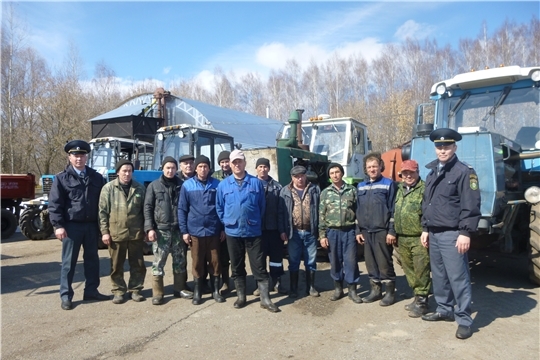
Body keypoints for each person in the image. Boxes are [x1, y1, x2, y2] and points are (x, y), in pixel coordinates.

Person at [420, 128, 481, 340]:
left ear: (455, 147)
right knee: (439, 275)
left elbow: (470, 205)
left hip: (453, 234)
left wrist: (465, 233)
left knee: (458, 277)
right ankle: (444, 309)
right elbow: (427, 203)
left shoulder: (464, 172)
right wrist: (425, 228)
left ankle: (464, 319)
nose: (442, 150)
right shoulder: (432, 172)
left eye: (446, 146)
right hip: (434, 233)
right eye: (439, 146)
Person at [48, 140, 109, 310]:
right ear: (69, 157)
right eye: (75, 155)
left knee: (92, 260)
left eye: (82, 155)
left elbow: (103, 204)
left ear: (86, 156)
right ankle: (66, 295)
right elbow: (55, 204)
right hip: (71, 226)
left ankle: (91, 291)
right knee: (69, 263)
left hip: (91, 226)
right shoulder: (61, 178)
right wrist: (58, 225)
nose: (79, 158)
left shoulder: (97, 177)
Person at [216, 149, 279, 312]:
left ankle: (265, 298)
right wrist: (228, 222)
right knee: (236, 266)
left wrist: (254, 221)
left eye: (240, 162)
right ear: (230, 164)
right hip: (233, 232)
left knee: (259, 265)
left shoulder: (255, 183)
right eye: (234, 162)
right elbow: (219, 208)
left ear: (244, 163)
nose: (237, 165)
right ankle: (241, 296)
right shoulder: (223, 185)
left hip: (253, 231)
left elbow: (261, 206)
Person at [144, 156, 193, 305]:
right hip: (161, 230)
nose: (170, 170)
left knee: (180, 260)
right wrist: (149, 228)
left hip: (178, 229)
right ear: (163, 168)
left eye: (173, 168)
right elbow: (148, 208)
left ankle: (179, 289)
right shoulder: (154, 186)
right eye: (168, 168)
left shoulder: (182, 185)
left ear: (176, 169)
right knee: (158, 262)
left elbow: (187, 207)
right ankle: (158, 293)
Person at [98, 159, 147, 304]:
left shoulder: (139, 188)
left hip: (135, 233)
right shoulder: (108, 188)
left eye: (129, 171)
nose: (127, 174)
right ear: (118, 172)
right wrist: (104, 232)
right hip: (116, 233)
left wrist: (146, 229)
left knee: (138, 264)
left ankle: (136, 289)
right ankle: (118, 291)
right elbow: (102, 212)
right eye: (124, 171)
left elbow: (145, 211)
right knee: (116, 265)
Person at [178, 155, 225, 305]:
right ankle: (197, 292)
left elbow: (222, 208)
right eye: (200, 166)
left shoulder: (217, 185)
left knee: (215, 261)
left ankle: (215, 291)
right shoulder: (187, 186)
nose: (203, 169)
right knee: (197, 261)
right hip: (195, 231)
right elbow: (182, 209)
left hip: (213, 230)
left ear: (209, 168)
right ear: (195, 168)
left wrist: (223, 228)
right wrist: (185, 231)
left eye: (205, 166)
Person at [356, 152, 397, 306]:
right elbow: (357, 209)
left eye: (375, 166)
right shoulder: (361, 186)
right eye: (369, 167)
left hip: (382, 231)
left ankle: (390, 293)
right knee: (370, 262)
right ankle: (375, 291)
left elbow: (393, 209)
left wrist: (391, 231)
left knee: (384, 262)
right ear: (365, 169)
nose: (372, 169)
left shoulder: (388, 184)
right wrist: (358, 231)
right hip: (366, 231)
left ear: (380, 167)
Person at [319, 163, 362, 303]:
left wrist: (358, 231)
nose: (335, 175)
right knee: (335, 261)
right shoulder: (325, 193)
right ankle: (338, 289)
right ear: (329, 176)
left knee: (351, 260)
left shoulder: (352, 191)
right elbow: (321, 215)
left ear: (342, 173)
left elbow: (358, 212)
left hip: (349, 231)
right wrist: (322, 235)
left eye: (337, 172)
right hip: (332, 232)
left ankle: (352, 290)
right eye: (332, 173)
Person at [393, 160, 431, 317]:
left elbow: (429, 212)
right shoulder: (399, 189)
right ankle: (417, 297)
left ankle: (423, 302)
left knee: (421, 269)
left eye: (411, 173)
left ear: (417, 172)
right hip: (402, 237)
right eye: (405, 173)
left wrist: (426, 230)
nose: (408, 176)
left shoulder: (424, 189)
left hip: (418, 237)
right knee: (408, 269)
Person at [278, 165, 320, 298]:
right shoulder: (285, 191)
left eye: (302, 175)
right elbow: (281, 213)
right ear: (292, 178)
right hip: (293, 232)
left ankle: (311, 287)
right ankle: (294, 288)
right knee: (294, 261)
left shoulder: (314, 189)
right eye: (296, 177)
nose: (299, 179)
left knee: (311, 261)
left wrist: (320, 230)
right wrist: (282, 230)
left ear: (305, 175)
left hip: (310, 231)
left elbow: (320, 210)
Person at [253, 157, 286, 295]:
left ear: (269, 168)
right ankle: (260, 286)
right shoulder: (251, 184)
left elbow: (281, 210)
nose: (263, 169)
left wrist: (282, 230)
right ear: (256, 169)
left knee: (276, 259)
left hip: (274, 229)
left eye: (265, 166)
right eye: (260, 166)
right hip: (257, 230)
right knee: (258, 259)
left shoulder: (278, 187)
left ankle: (277, 282)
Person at [211, 150, 232, 295]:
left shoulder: (236, 176)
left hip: (232, 221)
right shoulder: (215, 178)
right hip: (217, 222)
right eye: (222, 162)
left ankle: (231, 281)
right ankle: (221, 282)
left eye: (226, 161)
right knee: (217, 255)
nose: (225, 164)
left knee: (231, 255)